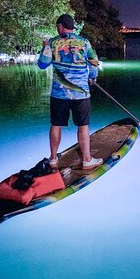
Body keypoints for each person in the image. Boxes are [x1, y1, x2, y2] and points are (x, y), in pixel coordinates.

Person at [38, 14, 102, 170]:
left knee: (56, 125)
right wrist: (92, 77)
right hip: (81, 93)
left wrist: (44, 47)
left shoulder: (52, 43)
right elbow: (94, 64)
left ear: (60, 26)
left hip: (59, 94)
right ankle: (87, 160)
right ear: (73, 27)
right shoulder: (84, 43)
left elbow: (42, 65)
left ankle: (53, 158)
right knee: (83, 125)